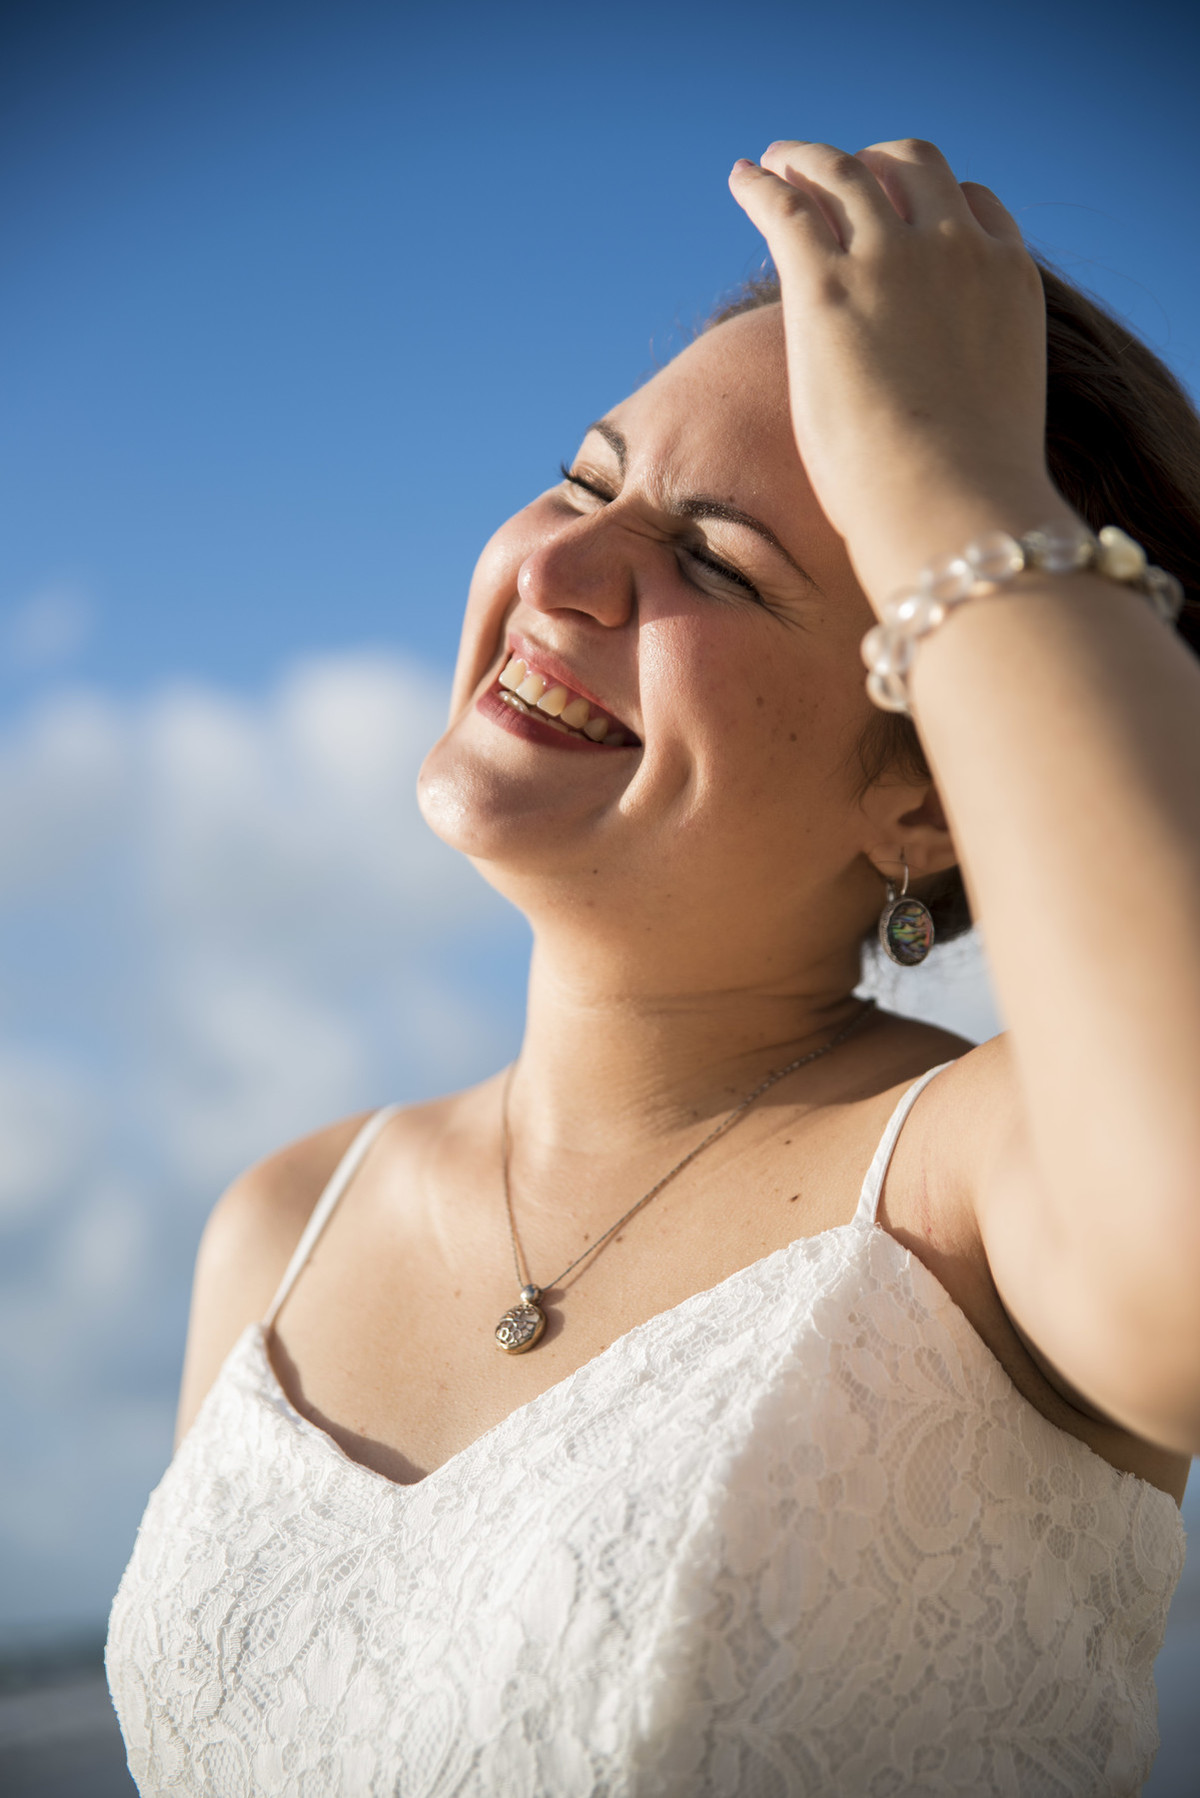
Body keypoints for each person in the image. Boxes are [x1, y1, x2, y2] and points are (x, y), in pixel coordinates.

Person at [106, 138, 1198, 1795]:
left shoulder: (979, 1197)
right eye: (581, 475)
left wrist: (949, 478)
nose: (555, 568)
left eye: (716, 563)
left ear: (921, 788)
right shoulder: (277, 1222)